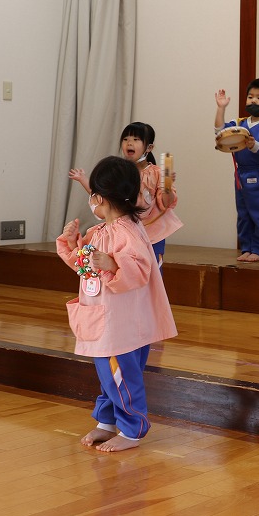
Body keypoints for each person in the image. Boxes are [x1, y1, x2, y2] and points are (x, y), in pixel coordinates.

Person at [56, 156, 178, 452]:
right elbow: (85, 266)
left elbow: (140, 270)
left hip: (120, 323)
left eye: (93, 194)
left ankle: (133, 429)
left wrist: (113, 263)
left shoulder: (128, 232)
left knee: (120, 375)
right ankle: (107, 421)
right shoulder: (100, 231)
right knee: (109, 374)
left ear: (101, 198)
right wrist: (71, 244)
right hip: (103, 318)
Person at [69, 122, 181, 267]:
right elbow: (103, 196)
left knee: (148, 270)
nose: (129, 143)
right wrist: (83, 180)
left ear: (149, 148)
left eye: (136, 139)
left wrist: (167, 186)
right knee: (121, 268)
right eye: (125, 139)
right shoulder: (119, 172)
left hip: (152, 235)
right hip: (123, 233)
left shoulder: (157, 173)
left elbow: (166, 203)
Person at [213, 78, 259, 262]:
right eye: (250, 97)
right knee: (243, 213)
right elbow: (219, 131)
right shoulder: (240, 122)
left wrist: (253, 144)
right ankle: (247, 247)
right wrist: (221, 108)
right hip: (241, 173)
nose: (253, 101)